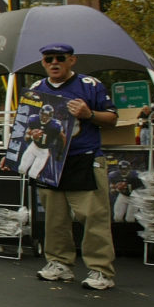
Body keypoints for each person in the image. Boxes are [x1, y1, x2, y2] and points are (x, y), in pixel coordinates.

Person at [27, 43, 118, 290]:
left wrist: (89, 114)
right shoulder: (37, 89)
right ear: (43, 63)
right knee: (55, 216)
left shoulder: (90, 85)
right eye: (48, 59)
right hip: (51, 160)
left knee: (93, 215)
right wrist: (12, 153)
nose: (54, 63)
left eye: (59, 58)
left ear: (72, 60)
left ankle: (100, 270)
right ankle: (59, 263)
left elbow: (112, 118)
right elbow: (24, 124)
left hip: (83, 157)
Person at [16, 104, 66, 183]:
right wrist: (32, 135)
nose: (44, 117)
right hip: (33, 147)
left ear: (51, 116)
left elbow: (63, 138)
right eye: (43, 114)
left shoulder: (55, 125)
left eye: (47, 115)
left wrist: (60, 152)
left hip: (43, 152)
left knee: (32, 174)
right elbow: (26, 135)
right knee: (21, 169)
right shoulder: (33, 119)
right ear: (40, 113)